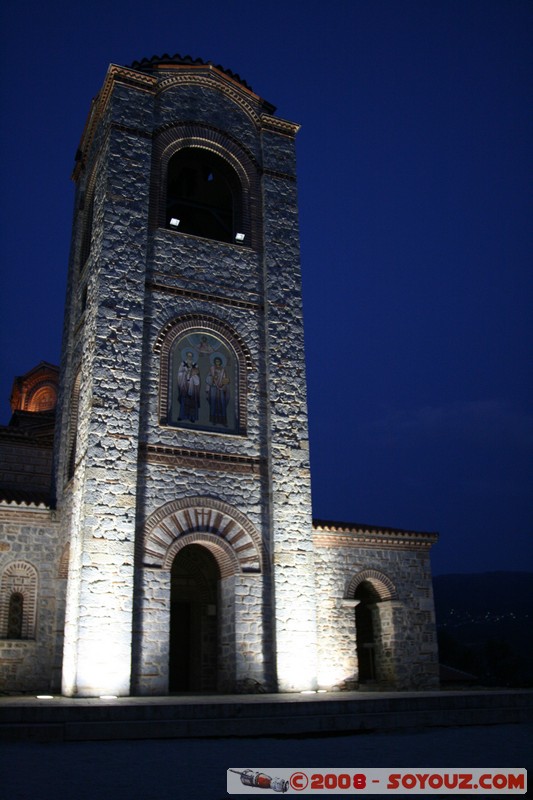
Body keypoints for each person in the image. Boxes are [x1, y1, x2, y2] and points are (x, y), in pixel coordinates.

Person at [205, 356, 230, 425]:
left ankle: (222, 421)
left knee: (221, 404)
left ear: (221, 362)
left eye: (218, 361)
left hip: (221, 389)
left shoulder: (223, 370)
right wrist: (212, 378)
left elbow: (226, 379)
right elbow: (207, 378)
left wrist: (224, 383)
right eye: (216, 361)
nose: (217, 363)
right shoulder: (212, 369)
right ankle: (214, 420)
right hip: (213, 388)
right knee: (213, 403)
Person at [177, 351, 200, 422]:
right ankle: (182, 416)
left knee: (192, 402)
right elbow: (179, 374)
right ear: (186, 356)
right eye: (188, 356)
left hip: (192, 386)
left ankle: (192, 417)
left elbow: (198, 378)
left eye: (191, 356)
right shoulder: (183, 364)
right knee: (184, 401)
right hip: (184, 385)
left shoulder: (195, 365)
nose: (189, 357)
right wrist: (185, 373)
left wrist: (193, 375)